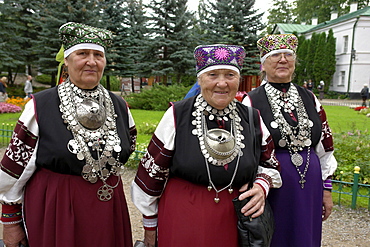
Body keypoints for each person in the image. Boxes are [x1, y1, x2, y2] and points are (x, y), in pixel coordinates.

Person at [0, 22, 136, 247]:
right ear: (67, 61)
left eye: (98, 55)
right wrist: (11, 220)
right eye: (83, 53)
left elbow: (127, 147)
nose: (91, 61)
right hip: (57, 208)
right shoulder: (41, 106)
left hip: (108, 207)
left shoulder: (119, 106)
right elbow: (16, 168)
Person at [131, 44, 282, 247]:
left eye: (230, 75)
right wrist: (150, 229)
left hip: (234, 222)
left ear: (239, 79)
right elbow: (150, 177)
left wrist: (262, 186)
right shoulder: (178, 115)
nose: (222, 83)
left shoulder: (251, 117)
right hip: (183, 218)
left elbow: (270, 164)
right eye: (212, 75)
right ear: (200, 79)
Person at [243, 34, 338, 247]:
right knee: (277, 235)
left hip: (310, 180)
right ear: (264, 64)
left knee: (306, 234)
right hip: (273, 182)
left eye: (288, 55)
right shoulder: (251, 100)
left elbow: (325, 146)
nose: (283, 59)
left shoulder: (310, 98)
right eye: (275, 55)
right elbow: (248, 149)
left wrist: (327, 188)